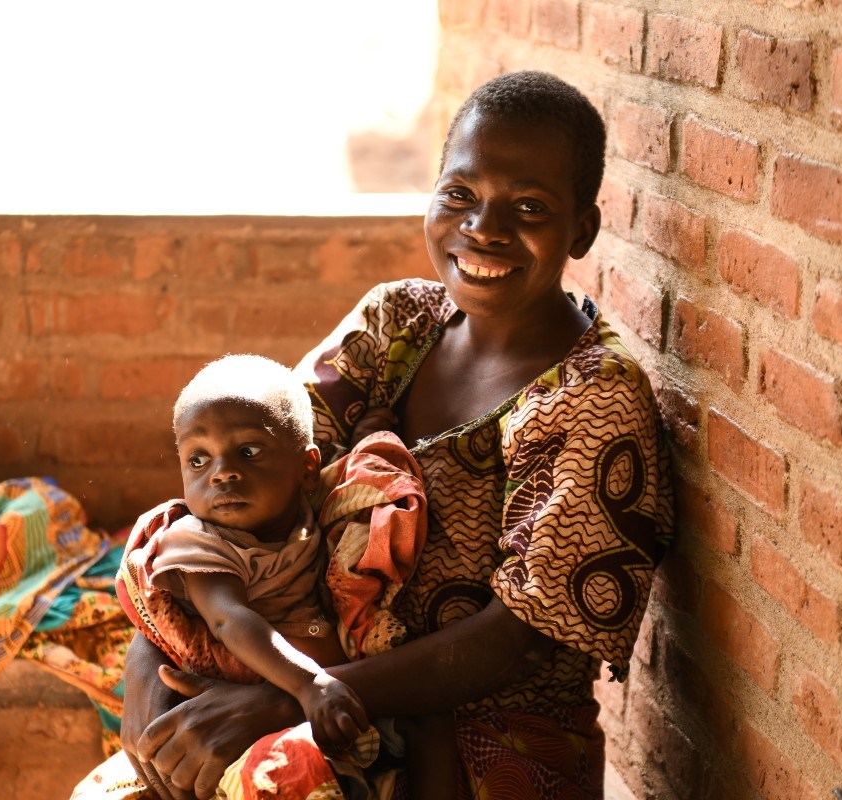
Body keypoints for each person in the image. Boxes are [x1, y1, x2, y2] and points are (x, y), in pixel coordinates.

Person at [105, 70, 674, 800]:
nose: (485, 229)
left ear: (583, 230)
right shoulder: (396, 324)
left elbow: (517, 639)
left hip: (484, 749)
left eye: (529, 207)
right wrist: (149, 662)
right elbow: (240, 475)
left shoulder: (594, 396)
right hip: (311, 690)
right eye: (460, 195)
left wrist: (296, 697)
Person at [115, 354, 459, 800]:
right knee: (287, 771)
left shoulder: (307, 511)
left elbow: (345, 477)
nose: (222, 473)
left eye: (248, 451)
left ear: (307, 469)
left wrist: (366, 436)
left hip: (324, 680)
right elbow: (227, 619)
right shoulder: (197, 541)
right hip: (245, 687)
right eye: (198, 459)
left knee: (433, 719)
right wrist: (310, 685)